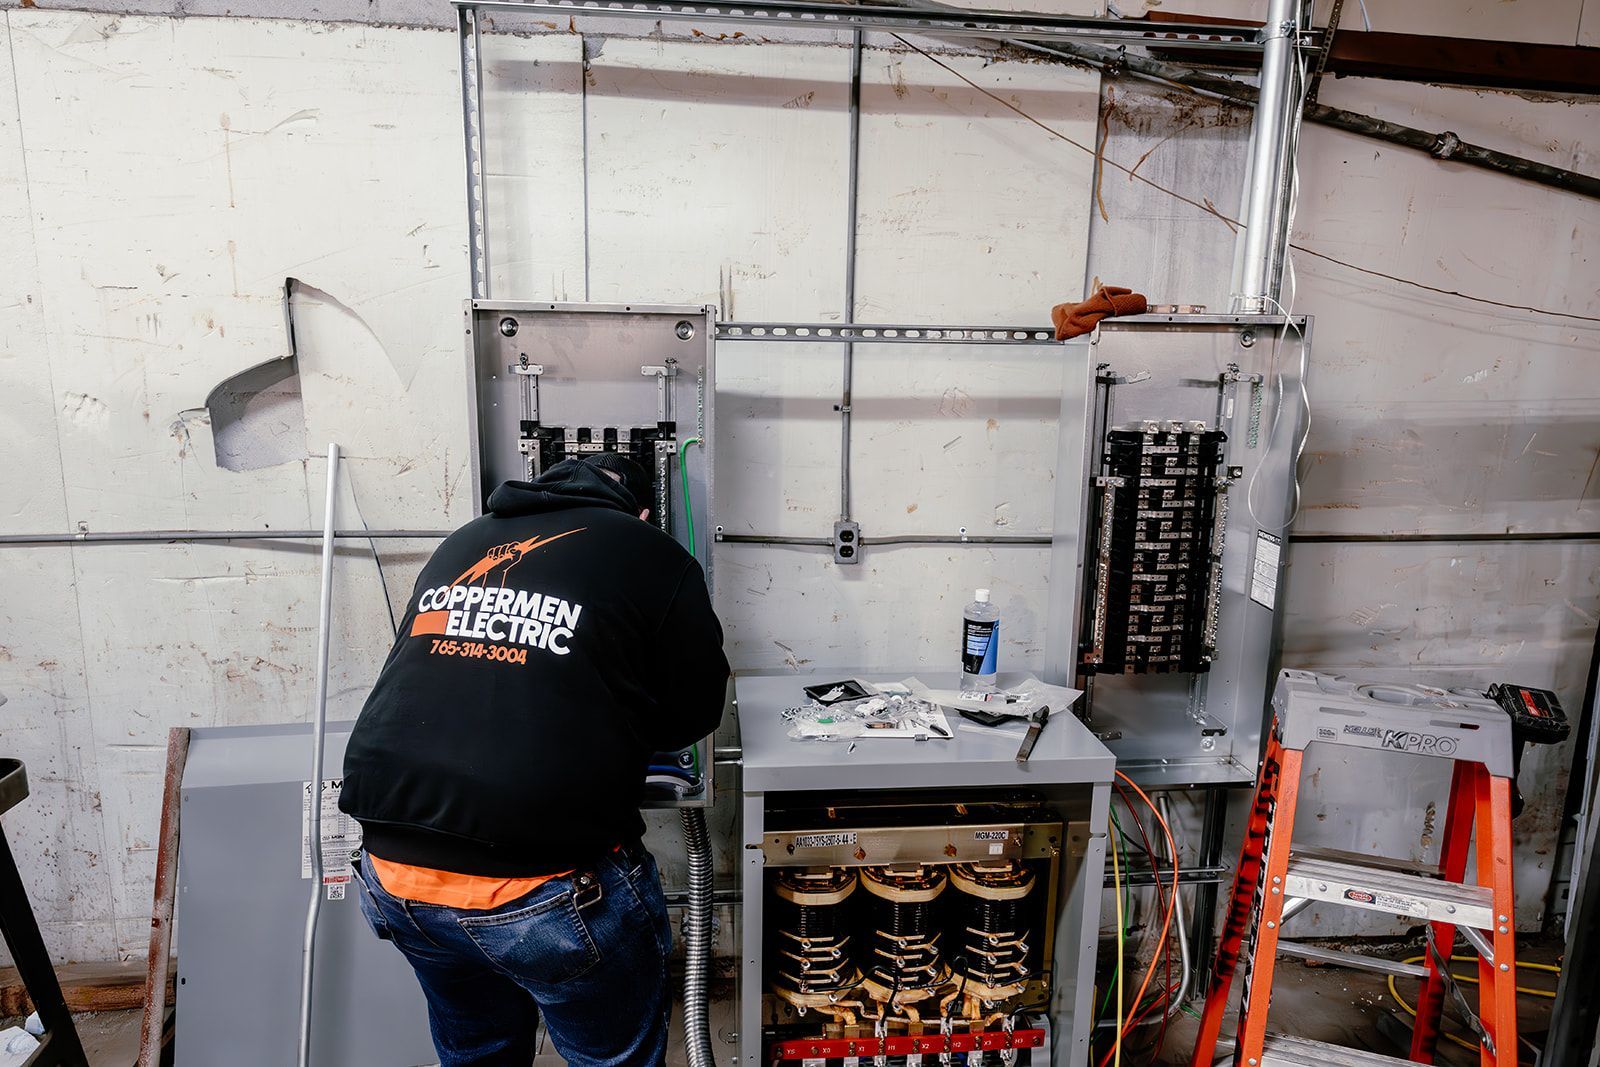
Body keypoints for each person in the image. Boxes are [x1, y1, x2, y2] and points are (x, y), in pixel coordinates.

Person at [339, 453, 730, 1067]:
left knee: (479, 1051)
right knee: (611, 1059)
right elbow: (694, 712)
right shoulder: (651, 550)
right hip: (545, 887)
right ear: (642, 512)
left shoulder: (464, 540)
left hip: (393, 871)